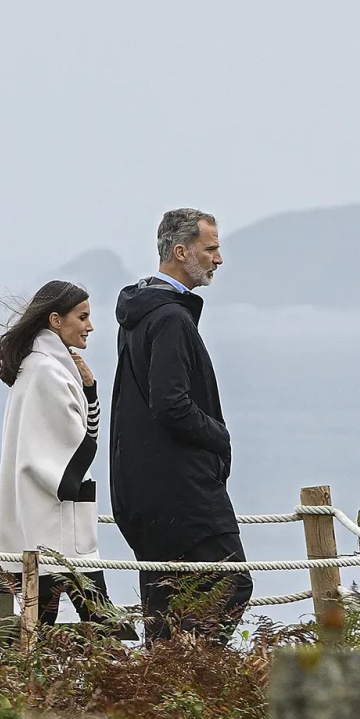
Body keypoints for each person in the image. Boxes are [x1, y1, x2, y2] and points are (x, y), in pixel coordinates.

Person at [110, 208, 252, 644]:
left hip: (141, 486)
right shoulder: (169, 317)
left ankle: (160, 699)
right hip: (180, 488)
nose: (218, 259)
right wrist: (219, 436)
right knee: (231, 585)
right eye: (210, 249)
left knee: (164, 601)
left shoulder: (141, 312)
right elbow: (170, 405)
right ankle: (189, 680)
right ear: (180, 251)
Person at [0, 281, 113, 626]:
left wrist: (89, 392)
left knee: (39, 634)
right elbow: (82, 447)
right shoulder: (48, 371)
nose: (90, 326)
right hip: (58, 525)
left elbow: (75, 440)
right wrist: (89, 397)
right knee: (103, 628)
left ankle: (27, 683)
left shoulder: (35, 366)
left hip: (38, 523)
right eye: (83, 316)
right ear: (56, 320)